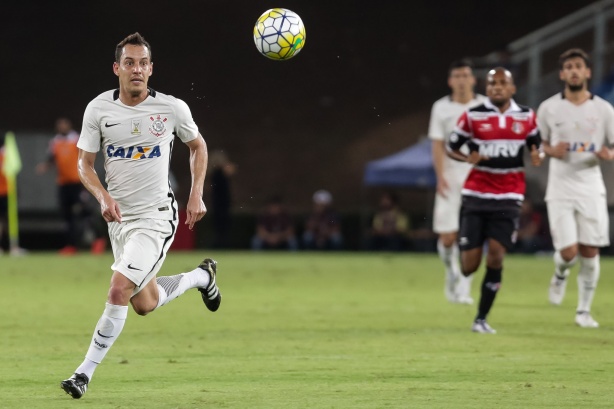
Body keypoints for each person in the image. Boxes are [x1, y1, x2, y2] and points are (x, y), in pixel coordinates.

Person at [60, 32, 222, 399]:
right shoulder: (98, 109)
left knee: (118, 288)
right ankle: (201, 276)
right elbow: (83, 165)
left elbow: (197, 146)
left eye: (143, 63)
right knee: (143, 303)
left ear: (151, 69)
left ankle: (83, 374)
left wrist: (196, 193)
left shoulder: (171, 109)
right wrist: (101, 196)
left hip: (155, 217)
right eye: (129, 62)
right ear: (117, 68)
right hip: (119, 221)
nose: (137, 69)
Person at [448, 67, 542, 334]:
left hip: (509, 196)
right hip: (476, 194)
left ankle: (481, 318)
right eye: (493, 83)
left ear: (512, 88)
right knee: (469, 266)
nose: (497, 87)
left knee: (496, 257)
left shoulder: (526, 116)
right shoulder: (473, 116)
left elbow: (538, 145)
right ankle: (461, 259)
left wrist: (539, 155)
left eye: (503, 83)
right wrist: (467, 157)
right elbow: (452, 147)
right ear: (487, 88)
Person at [537, 48, 614, 328]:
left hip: (591, 187)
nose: (573, 71)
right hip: (560, 187)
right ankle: (560, 273)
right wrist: (548, 150)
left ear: (587, 72)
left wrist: (609, 154)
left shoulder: (604, 110)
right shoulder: (548, 108)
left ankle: (583, 311)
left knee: (590, 251)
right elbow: (537, 146)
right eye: (568, 66)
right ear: (561, 74)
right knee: (569, 253)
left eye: (578, 66)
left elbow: (613, 146)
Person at [428, 59, 487, 304]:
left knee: (473, 236)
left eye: (466, 75)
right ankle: (451, 272)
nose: (462, 80)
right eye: (457, 76)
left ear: (473, 79)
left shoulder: (485, 105)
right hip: (451, 177)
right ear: (451, 81)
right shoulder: (441, 108)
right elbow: (437, 144)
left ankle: (464, 287)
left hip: (478, 177)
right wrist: (440, 176)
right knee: (448, 237)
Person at [36, 118, 107, 255]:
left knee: (86, 212)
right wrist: (45, 166)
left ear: (69, 126)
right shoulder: (55, 142)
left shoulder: (76, 139)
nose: (62, 127)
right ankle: (71, 245)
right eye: (60, 125)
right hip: (63, 183)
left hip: (78, 182)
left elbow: (87, 157)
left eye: (64, 124)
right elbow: (51, 158)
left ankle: (98, 240)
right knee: (67, 215)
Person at [208, 150, 236, 248]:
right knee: (221, 225)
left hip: (220, 202)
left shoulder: (215, 173)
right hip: (220, 203)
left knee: (221, 225)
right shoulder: (218, 173)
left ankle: (221, 244)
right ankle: (221, 245)